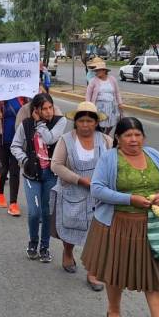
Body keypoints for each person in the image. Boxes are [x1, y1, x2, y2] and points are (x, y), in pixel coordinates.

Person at [82, 117, 159, 317]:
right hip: (119, 222)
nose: (133, 140)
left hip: (153, 225)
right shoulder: (110, 159)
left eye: (137, 134)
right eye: (128, 135)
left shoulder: (154, 155)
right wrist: (129, 199)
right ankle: (114, 309)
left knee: (154, 279)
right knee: (116, 271)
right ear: (118, 138)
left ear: (143, 137)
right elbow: (97, 189)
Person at [50, 103, 110, 287]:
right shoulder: (66, 140)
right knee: (71, 228)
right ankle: (68, 252)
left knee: (98, 234)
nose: (85, 125)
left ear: (95, 123)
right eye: (81, 121)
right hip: (72, 192)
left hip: (99, 195)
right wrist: (80, 180)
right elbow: (56, 165)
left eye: (89, 121)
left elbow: (113, 163)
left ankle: (93, 271)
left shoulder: (106, 140)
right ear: (75, 122)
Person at [11, 93, 67, 263]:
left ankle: (44, 247)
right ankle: (32, 243)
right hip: (31, 175)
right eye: (44, 109)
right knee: (34, 213)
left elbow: (50, 139)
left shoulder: (60, 121)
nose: (49, 112)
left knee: (47, 212)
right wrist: (25, 160)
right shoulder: (26, 125)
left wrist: (40, 124)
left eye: (51, 107)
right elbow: (15, 146)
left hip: (51, 175)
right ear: (36, 110)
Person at [0, 97, 26, 217]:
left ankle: (13, 203)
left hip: (17, 142)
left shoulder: (27, 99)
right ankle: (0, 193)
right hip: (1, 140)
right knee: (4, 168)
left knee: (15, 171)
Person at [84, 58, 123, 134]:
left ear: (104, 70)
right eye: (96, 70)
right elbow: (88, 94)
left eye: (98, 70)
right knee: (99, 123)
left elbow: (117, 92)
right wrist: (88, 106)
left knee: (111, 123)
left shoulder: (112, 79)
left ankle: (106, 134)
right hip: (99, 106)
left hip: (111, 105)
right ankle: (100, 135)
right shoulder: (93, 81)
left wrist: (120, 103)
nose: (96, 72)